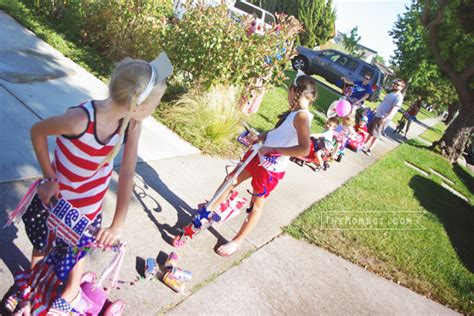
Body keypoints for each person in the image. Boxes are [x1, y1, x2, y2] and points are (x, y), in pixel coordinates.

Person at [10, 58, 167, 315]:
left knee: (76, 251)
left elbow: (127, 172)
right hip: (54, 202)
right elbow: (38, 131)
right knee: (42, 243)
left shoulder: (132, 126)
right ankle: (32, 286)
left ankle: (70, 292)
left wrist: (116, 225)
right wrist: (50, 178)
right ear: (138, 106)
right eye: (156, 104)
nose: (156, 108)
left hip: (87, 209)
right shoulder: (79, 120)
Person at [212, 74, 317, 256]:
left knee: (256, 205)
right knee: (231, 179)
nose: (287, 95)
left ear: (294, 91)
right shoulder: (295, 112)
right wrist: (262, 136)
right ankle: (209, 210)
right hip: (257, 155)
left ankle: (237, 241)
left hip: (270, 167)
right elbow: (280, 132)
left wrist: (273, 149)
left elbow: (304, 149)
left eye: (288, 91)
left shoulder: (302, 116)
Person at [362, 79, 405, 156]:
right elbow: (384, 103)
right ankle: (364, 145)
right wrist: (376, 109)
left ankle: (369, 149)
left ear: (401, 87)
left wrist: (386, 118)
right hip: (378, 114)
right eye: (394, 83)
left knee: (376, 134)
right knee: (371, 132)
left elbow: (394, 108)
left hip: (383, 118)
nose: (395, 85)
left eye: (397, 84)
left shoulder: (399, 97)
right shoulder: (391, 93)